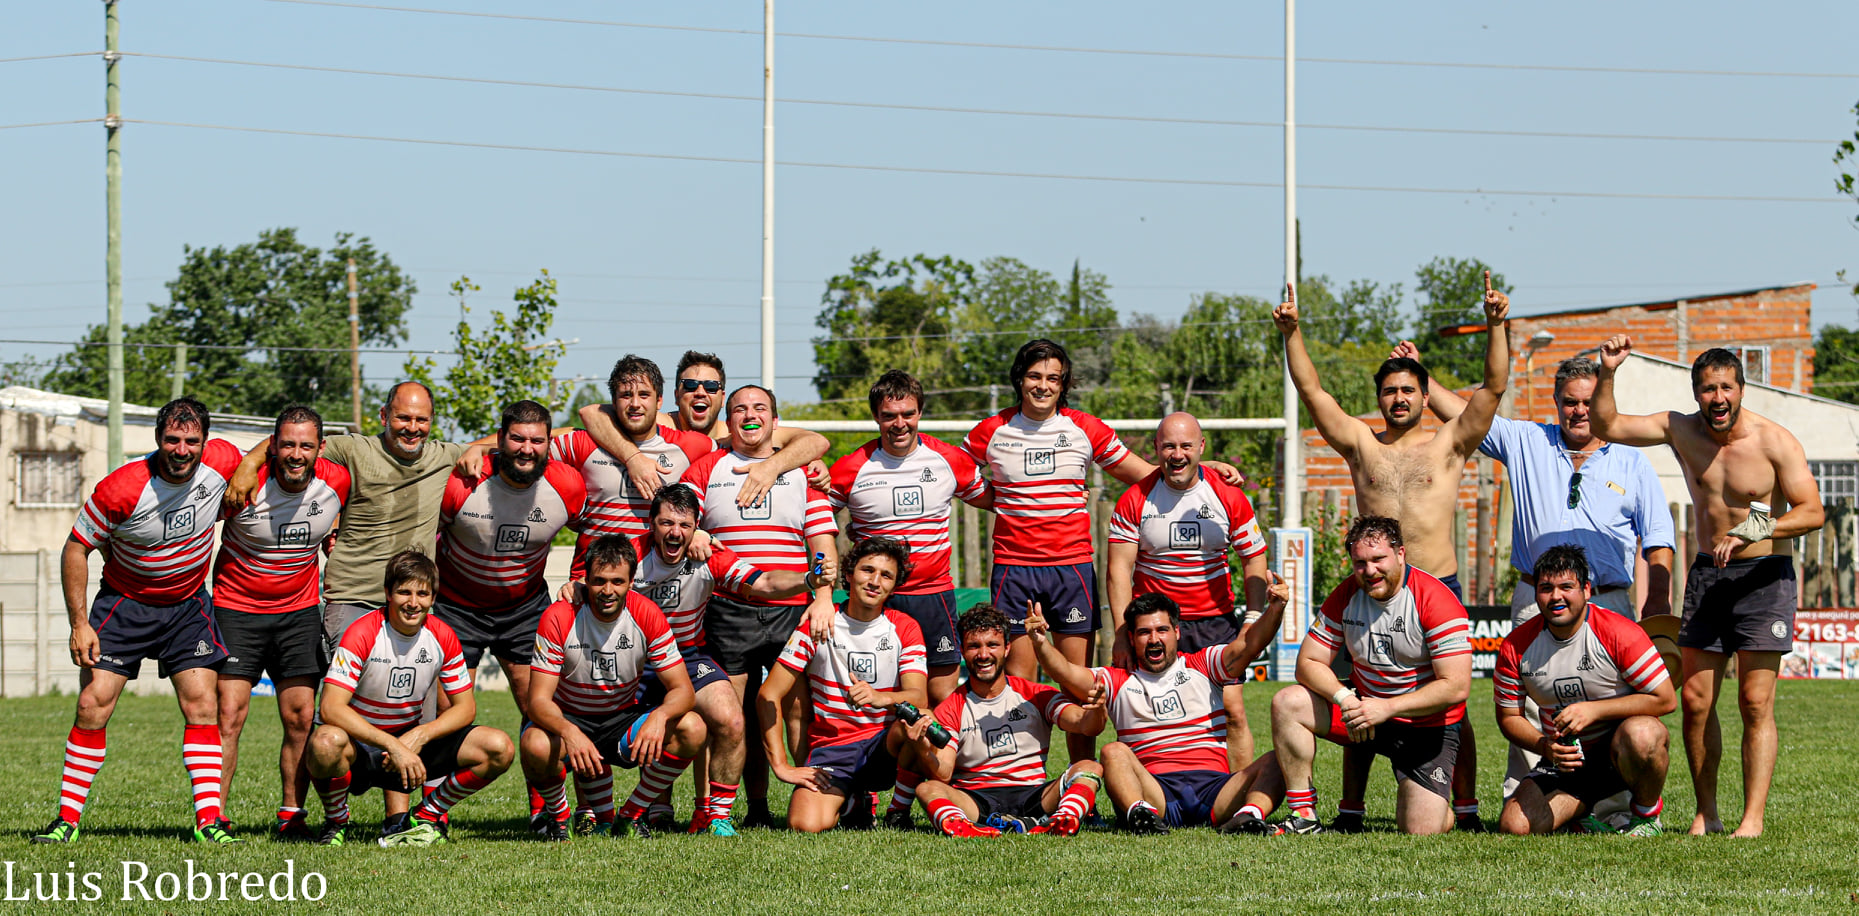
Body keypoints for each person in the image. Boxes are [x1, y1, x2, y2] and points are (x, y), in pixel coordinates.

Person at [1276, 277, 1509, 830]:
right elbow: (1313, 394)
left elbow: (1494, 389)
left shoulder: (1449, 443)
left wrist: (1498, 324)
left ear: (1425, 396)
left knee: (1451, 704)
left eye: (1409, 391)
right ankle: (1349, 810)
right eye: (1389, 391)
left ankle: (1468, 808)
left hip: (1438, 588)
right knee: (1359, 692)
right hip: (1373, 586)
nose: (1399, 399)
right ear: (1379, 398)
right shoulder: (1361, 443)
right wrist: (1292, 334)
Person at [1396, 345, 1676, 799]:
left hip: (1607, 599)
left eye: (1587, 401)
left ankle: (1619, 800)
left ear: (1603, 402)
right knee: (1529, 700)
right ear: (1557, 402)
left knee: (1612, 701)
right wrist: (1420, 376)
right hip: (1537, 597)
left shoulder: (1632, 460)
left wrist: (1659, 601)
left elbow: (1659, 539)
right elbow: (1469, 413)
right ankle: (1528, 791)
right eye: (1570, 401)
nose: (1579, 410)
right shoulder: (1528, 440)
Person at [963, 339, 1243, 767]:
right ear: (1019, 380)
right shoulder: (992, 430)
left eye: (1052, 378)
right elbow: (952, 469)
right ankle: (1023, 782)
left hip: (1071, 569)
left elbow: (1146, 471)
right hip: (1014, 570)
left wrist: (1207, 476)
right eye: (1034, 377)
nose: (1042, 386)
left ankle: (1082, 781)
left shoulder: (1085, 428)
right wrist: (994, 497)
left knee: (1082, 687)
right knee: (1019, 683)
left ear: (1064, 384)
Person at [1592, 340, 1824, 837]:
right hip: (1707, 577)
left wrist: (1754, 530)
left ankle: (1752, 820)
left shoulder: (1773, 441)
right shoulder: (1681, 429)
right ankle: (1707, 814)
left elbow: (1812, 511)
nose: (1717, 397)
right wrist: (1607, 372)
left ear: (1741, 389)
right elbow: (1606, 425)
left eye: (1725, 387)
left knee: (1755, 702)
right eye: (1707, 389)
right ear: (1696, 393)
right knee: (1697, 702)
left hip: (1764, 578)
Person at [34, 399, 245, 845]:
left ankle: (209, 822)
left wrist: (248, 473)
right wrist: (79, 623)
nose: (182, 449)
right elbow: (76, 547)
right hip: (124, 604)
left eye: (192, 441)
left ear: (205, 442)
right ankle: (66, 822)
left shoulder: (224, 460)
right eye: (172, 439)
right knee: (92, 704)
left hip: (188, 606)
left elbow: (266, 453)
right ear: (157, 439)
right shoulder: (122, 487)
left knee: (204, 706)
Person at [625, 484, 834, 833]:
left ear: (696, 528)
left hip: (686, 656)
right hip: (632, 660)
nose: (675, 533)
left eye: (684, 525)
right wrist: (575, 588)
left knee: (732, 721)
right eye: (666, 524)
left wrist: (807, 579)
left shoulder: (709, 557)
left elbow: (763, 583)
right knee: (597, 721)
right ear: (651, 524)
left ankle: (717, 817)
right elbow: (594, 586)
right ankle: (604, 813)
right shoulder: (629, 557)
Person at [681, 385, 839, 828]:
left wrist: (824, 594)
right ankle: (735, 812)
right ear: (727, 421)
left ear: (775, 420)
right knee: (735, 715)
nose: (749, 416)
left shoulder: (802, 471)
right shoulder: (708, 465)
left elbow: (822, 540)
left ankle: (811, 801)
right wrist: (693, 529)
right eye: (739, 410)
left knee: (797, 708)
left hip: (793, 608)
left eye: (760, 409)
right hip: (730, 608)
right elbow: (680, 512)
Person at [227, 381, 465, 656]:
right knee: (345, 694)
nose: (412, 427)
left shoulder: (446, 456)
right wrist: (248, 464)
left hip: (412, 600)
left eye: (421, 419)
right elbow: (294, 442)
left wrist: (474, 449)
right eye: (403, 417)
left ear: (431, 420)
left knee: (409, 695)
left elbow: (507, 438)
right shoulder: (354, 449)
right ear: (384, 415)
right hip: (354, 598)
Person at [1268, 516, 1473, 836]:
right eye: (1360, 563)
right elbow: (1307, 662)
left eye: (1379, 559)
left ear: (1401, 554)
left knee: (1421, 829)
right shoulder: (1346, 594)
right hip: (1364, 712)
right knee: (1288, 702)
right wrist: (1345, 698)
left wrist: (1387, 707)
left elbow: (1456, 686)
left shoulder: (1436, 598)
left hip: (1424, 725)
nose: (1370, 570)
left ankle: (1441, 803)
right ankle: (1304, 814)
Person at [1027, 588, 1288, 835]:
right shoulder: (1116, 680)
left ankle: (1248, 815)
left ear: (1176, 631)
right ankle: (1140, 814)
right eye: (1144, 632)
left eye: (1162, 630)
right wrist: (1040, 643)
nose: (1154, 639)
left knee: (1280, 758)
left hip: (1215, 789)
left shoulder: (1205, 665)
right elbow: (1065, 671)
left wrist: (1274, 609)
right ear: (1131, 638)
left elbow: (1250, 645)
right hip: (1154, 790)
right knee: (1112, 751)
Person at [432, 400, 586, 816]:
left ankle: (546, 809)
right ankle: (435, 812)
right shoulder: (463, 481)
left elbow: (591, 529)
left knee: (539, 705)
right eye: (517, 438)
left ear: (549, 445)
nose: (527, 448)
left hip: (524, 608)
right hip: (456, 607)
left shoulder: (568, 486)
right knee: (449, 711)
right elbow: (428, 535)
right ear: (499, 441)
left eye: (537, 440)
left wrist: (580, 573)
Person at [210, 405, 352, 841]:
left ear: (320, 448)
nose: (296, 453)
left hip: (298, 614)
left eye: (305, 445)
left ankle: (292, 815)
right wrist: (250, 462)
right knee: (229, 716)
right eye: (287, 444)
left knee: (300, 718)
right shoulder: (242, 482)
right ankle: (212, 819)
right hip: (236, 610)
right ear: (272, 446)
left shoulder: (338, 482)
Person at [306, 551, 514, 847]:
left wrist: (419, 735)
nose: (413, 602)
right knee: (324, 743)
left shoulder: (443, 636)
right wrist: (393, 745)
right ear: (388, 593)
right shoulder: (361, 633)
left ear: (433, 598)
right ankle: (336, 821)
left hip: (411, 741)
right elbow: (330, 707)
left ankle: (426, 815)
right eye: (404, 591)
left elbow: (466, 708)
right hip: (363, 747)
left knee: (498, 747)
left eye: (422, 593)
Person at [1107, 411, 1269, 769]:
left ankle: (1235, 797)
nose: (1177, 454)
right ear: (1156, 448)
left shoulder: (1228, 496)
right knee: (1141, 712)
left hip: (1214, 622)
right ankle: (1144, 795)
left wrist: (1252, 620)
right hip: (1154, 626)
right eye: (1168, 446)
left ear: (1201, 447)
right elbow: (1118, 570)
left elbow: (1255, 559)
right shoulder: (1134, 499)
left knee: (1232, 712)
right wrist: (1122, 633)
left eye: (1185, 445)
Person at [523, 536, 707, 840]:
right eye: (599, 581)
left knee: (693, 728)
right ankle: (559, 819)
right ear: (585, 579)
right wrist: (570, 732)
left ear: (631, 582)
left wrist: (659, 717)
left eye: (617, 582)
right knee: (534, 744)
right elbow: (538, 701)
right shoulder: (558, 616)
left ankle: (631, 816)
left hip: (620, 719)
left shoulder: (647, 613)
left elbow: (683, 691)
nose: (608, 591)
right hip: (570, 717)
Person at [828, 370, 994, 704]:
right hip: (876, 598)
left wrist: (1067, 491)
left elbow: (1001, 502)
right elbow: (813, 521)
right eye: (889, 416)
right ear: (876, 416)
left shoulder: (949, 460)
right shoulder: (851, 468)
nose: (899, 423)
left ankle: (941, 757)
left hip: (932, 596)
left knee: (941, 695)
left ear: (920, 412)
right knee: (876, 688)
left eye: (908, 414)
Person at [1495, 545, 1675, 836]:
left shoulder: (1619, 632)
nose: (1556, 597)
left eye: (1567, 587)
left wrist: (1595, 710)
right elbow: (1508, 717)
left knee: (1644, 734)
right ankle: (1587, 812)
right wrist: (1545, 747)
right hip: (1566, 760)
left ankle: (1645, 816)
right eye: (1546, 588)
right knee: (1514, 826)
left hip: (1621, 752)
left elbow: (1665, 699)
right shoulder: (1516, 646)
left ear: (1587, 590)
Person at [755, 538, 926, 833]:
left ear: (895, 586)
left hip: (883, 746)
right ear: (848, 574)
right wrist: (781, 766)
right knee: (804, 825)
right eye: (867, 570)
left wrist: (880, 697)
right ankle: (854, 802)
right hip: (833, 749)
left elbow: (918, 697)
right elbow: (768, 694)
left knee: (918, 723)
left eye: (886, 576)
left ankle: (898, 811)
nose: (874, 581)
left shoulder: (905, 627)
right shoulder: (819, 621)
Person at [907, 604, 1106, 838]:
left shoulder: (1034, 694)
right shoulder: (952, 706)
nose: (983, 654)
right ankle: (967, 829)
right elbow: (943, 773)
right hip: (977, 799)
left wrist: (1096, 709)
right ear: (962, 650)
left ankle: (1063, 820)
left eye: (992, 645)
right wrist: (922, 749)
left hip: (1034, 795)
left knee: (1089, 767)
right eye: (974, 646)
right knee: (928, 788)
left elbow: (1085, 724)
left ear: (1007, 648)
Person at [577, 350, 830, 504]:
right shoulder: (661, 426)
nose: (700, 392)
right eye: (689, 386)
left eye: (710, 387)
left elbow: (815, 442)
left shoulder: (733, 434)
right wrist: (632, 457)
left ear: (722, 397)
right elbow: (592, 413)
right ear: (675, 396)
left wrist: (774, 466)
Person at [550, 355, 717, 578]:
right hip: (592, 584)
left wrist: (700, 532)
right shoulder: (584, 442)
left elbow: (744, 452)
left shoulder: (691, 446)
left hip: (656, 585)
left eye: (644, 395)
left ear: (659, 401)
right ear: (613, 401)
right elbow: (526, 448)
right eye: (626, 395)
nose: (635, 404)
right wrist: (485, 451)